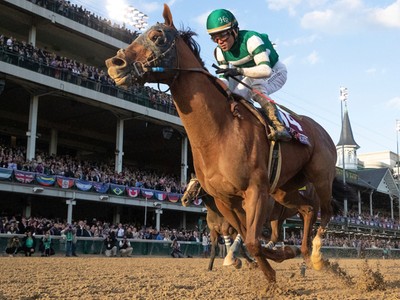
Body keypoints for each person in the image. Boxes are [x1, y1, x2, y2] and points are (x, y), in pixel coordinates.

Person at [206, 9, 291, 141]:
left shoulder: (251, 39)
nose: (219, 41)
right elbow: (225, 80)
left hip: (274, 71)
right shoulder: (219, 51)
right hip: (250, 74)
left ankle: (279, 127)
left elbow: (265, 71)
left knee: (257, 90)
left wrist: (239, 71)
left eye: (222, 35)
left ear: (234, 30)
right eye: (214, 37)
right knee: (233, 96)